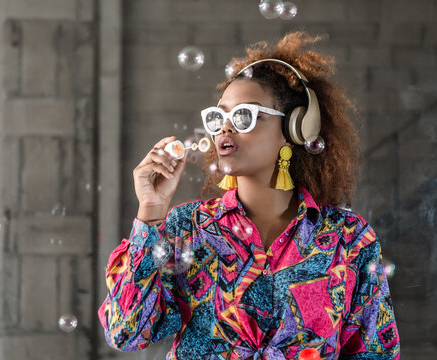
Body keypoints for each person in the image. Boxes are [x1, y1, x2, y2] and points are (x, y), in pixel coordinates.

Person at [98, 32, 400, 360]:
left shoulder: (349, 239)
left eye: (244, 115)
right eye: (218, 117)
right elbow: (126, 332)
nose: (224, 128)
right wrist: (151, 209)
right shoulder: (187, 226)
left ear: (296, 129)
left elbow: (376, 353)